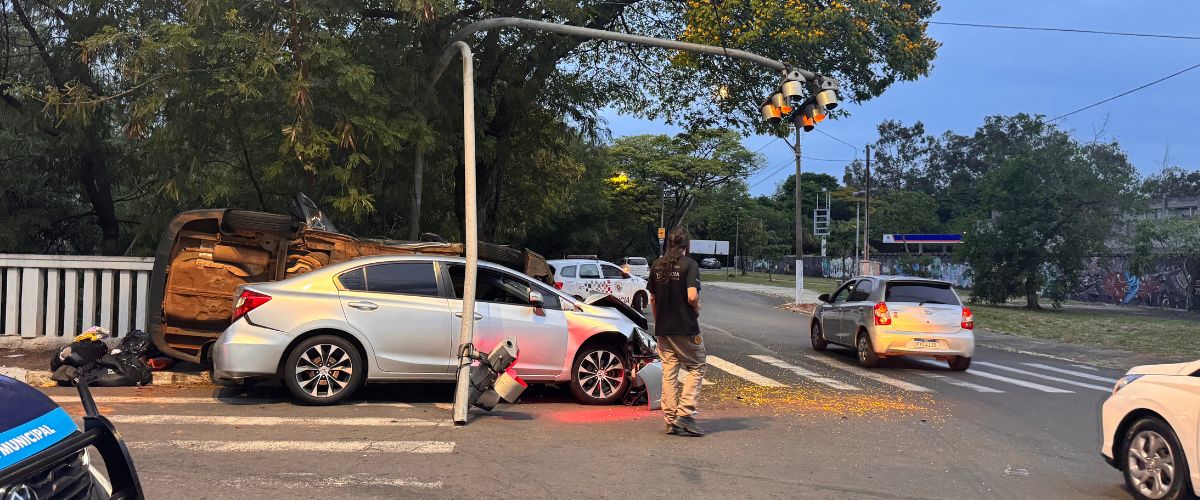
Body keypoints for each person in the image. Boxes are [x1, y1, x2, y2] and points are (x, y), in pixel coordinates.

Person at [648, 227, 706, 437]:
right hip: (685, 327)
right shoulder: (689, 265)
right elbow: (692, 296)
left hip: (663, 328)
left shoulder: (657, 265)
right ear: (686, 246)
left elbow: (652, 299)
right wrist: (697, 307)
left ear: (669, 244)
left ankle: (671, 420)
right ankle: (685, 413)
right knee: (697, 366)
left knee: (670, 372)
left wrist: (658, 322)